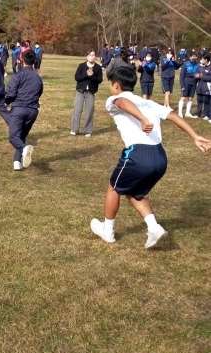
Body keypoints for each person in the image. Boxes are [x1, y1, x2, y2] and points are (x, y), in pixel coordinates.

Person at [90, 65, 211, 249]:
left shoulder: (114, 99)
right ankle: (154, 228)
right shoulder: (147, 102)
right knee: (135, 192)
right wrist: (194, 136)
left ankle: (107, 230)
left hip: (138, 155)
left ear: (116, 85)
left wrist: (142, 119)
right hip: (160, 158)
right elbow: (172, 115)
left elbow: (122, 102)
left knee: (114, 188)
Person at [0, 49, 43, 170]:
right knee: (21, 136)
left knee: (13, 137)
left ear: (21, 60)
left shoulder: (18, 75)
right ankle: (17, 162)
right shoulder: (38, 77)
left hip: (19, 110)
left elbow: (11, 94)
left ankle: (23, 149)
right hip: (33, 111)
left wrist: (6, 101)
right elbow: (39, 93)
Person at [70, 51, 103, 137]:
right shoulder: (81, 66)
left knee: (89, 111)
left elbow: (100, 80)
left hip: (91, 92)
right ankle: (74, 129)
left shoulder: (98, 68)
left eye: (93, 55)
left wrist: (92, 76)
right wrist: (86, 74)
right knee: (77, 110)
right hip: (80, 91)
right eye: (90, 55)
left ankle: (87, 130)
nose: (92, 57)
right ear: (87, 57)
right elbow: (77, 77)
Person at [178, 51, 199, 118]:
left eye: (195, 56)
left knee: (190, 98)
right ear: (190, 57)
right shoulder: (185, 64)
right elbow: (182, 76)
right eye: (193, 56)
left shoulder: (197, 65)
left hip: (194, 83)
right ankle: (180, 113)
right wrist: (182, 85)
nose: (194, 57)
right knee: (183, 97)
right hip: (186, 82)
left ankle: (187, 113)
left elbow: (198, 74)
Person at [195, 54, 211, 120]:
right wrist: (196, 75)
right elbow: (196, 74)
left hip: (207, 87)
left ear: (206, 60)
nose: (201, 60)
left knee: (207, 101)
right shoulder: (200, 66)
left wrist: (202, 76)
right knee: (199, 100)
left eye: (202, 59)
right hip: (199, 87)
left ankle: (207, 115)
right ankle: (199, 114)